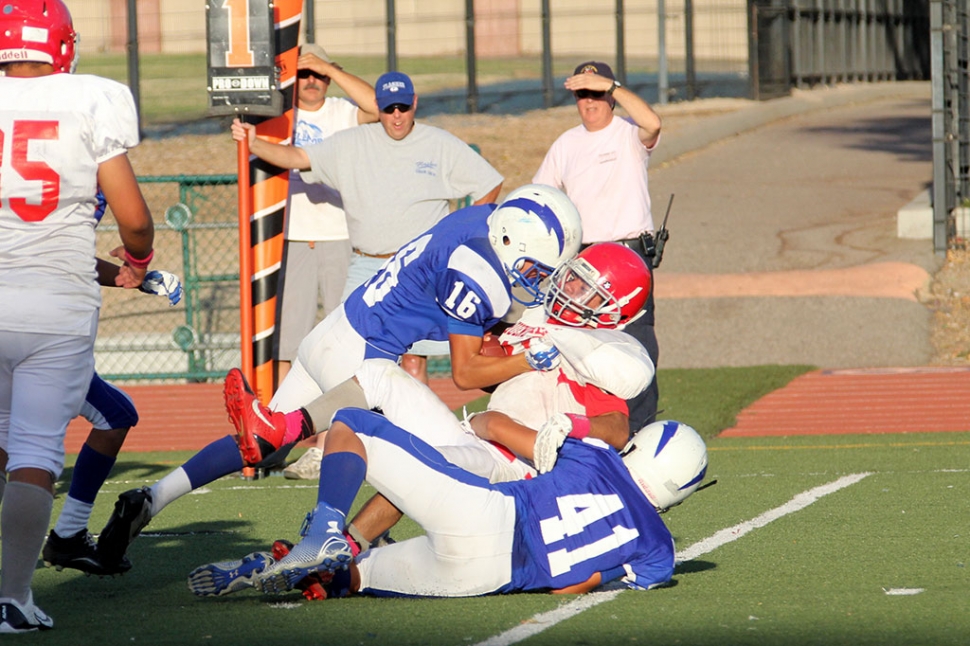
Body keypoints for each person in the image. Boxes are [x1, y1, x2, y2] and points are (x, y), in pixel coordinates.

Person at [94, 185, 582, 572]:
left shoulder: (484, 219)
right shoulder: (480, 274)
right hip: (364, 358)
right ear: (509, 242)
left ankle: (151, 498)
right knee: (436, 456)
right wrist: (528, 358)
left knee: (267, 442)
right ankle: (338, 536)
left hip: (334, 331)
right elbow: (467, 370)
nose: (535, 278)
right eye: (534, 268)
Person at [186, 242, 660, 598]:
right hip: (477, 441)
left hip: (514, 469)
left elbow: (616, 431)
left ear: (613, 309)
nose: (568, 288)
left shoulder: (602, 360)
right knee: (376, 375)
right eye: (572, 277)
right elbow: (484, 368)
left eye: (585, 288)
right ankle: (290, 447)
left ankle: (335, 543)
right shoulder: (544, 323)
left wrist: (557, 430)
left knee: (415, 457)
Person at [240, 69, 504, 478]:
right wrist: (253, 142)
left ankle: (413, 450)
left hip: (421, 273)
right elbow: (298, 158)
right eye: (387, 108)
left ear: (414, 103)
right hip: (366, 264)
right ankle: (325, 445)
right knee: (344, 361)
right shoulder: (351, 143)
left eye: (403, 107)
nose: (396, 115)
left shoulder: (439, 144)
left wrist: (461, 235)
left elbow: (489, 184)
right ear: (376, 109)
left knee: (413, 364)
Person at [0, 0, 156, 632]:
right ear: (63, 45)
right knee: (34, 450)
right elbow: (135, 219)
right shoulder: (92, 98)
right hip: (55, 303)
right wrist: (138, 259)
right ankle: (12, 598)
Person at [233, 408, 708, 598]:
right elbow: (573, 586)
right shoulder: (659, 554)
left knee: (352, 424)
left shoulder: (598, 458)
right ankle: (314, 579)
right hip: (490, 578)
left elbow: (504, 428)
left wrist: (479, 424)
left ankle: (325, 531)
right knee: (358, 578)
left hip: (487, 516)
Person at [533, 60, 663, 434]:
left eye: (596, 93)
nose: (589, 101)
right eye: (581, 94)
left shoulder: (627, 132)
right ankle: (598, 436)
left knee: (637, 349)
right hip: (584, 261)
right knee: (586, 352)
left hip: (628, 256)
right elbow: (543, 196)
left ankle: (640, 435)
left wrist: (614, 84)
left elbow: (653, 123)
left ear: (609, 96)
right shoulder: (566, 144)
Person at [275, 45, 379, 478]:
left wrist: (326, 64)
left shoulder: (341, 111)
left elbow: (376, 106)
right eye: (302, 74)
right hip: (293, 236)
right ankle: (279, 436)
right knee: (289, 345)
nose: (311, 81)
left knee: (340, 344)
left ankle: (326, 442)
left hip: (341, 238)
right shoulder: (280, 117)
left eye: (316, 74)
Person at [42, 266, 182, 578]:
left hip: (36, 334)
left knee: (114, 414)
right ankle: (23, 586)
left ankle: (67, 535)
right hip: (43, 342)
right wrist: (136, 264)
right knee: (33, 458)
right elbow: (134, 226)